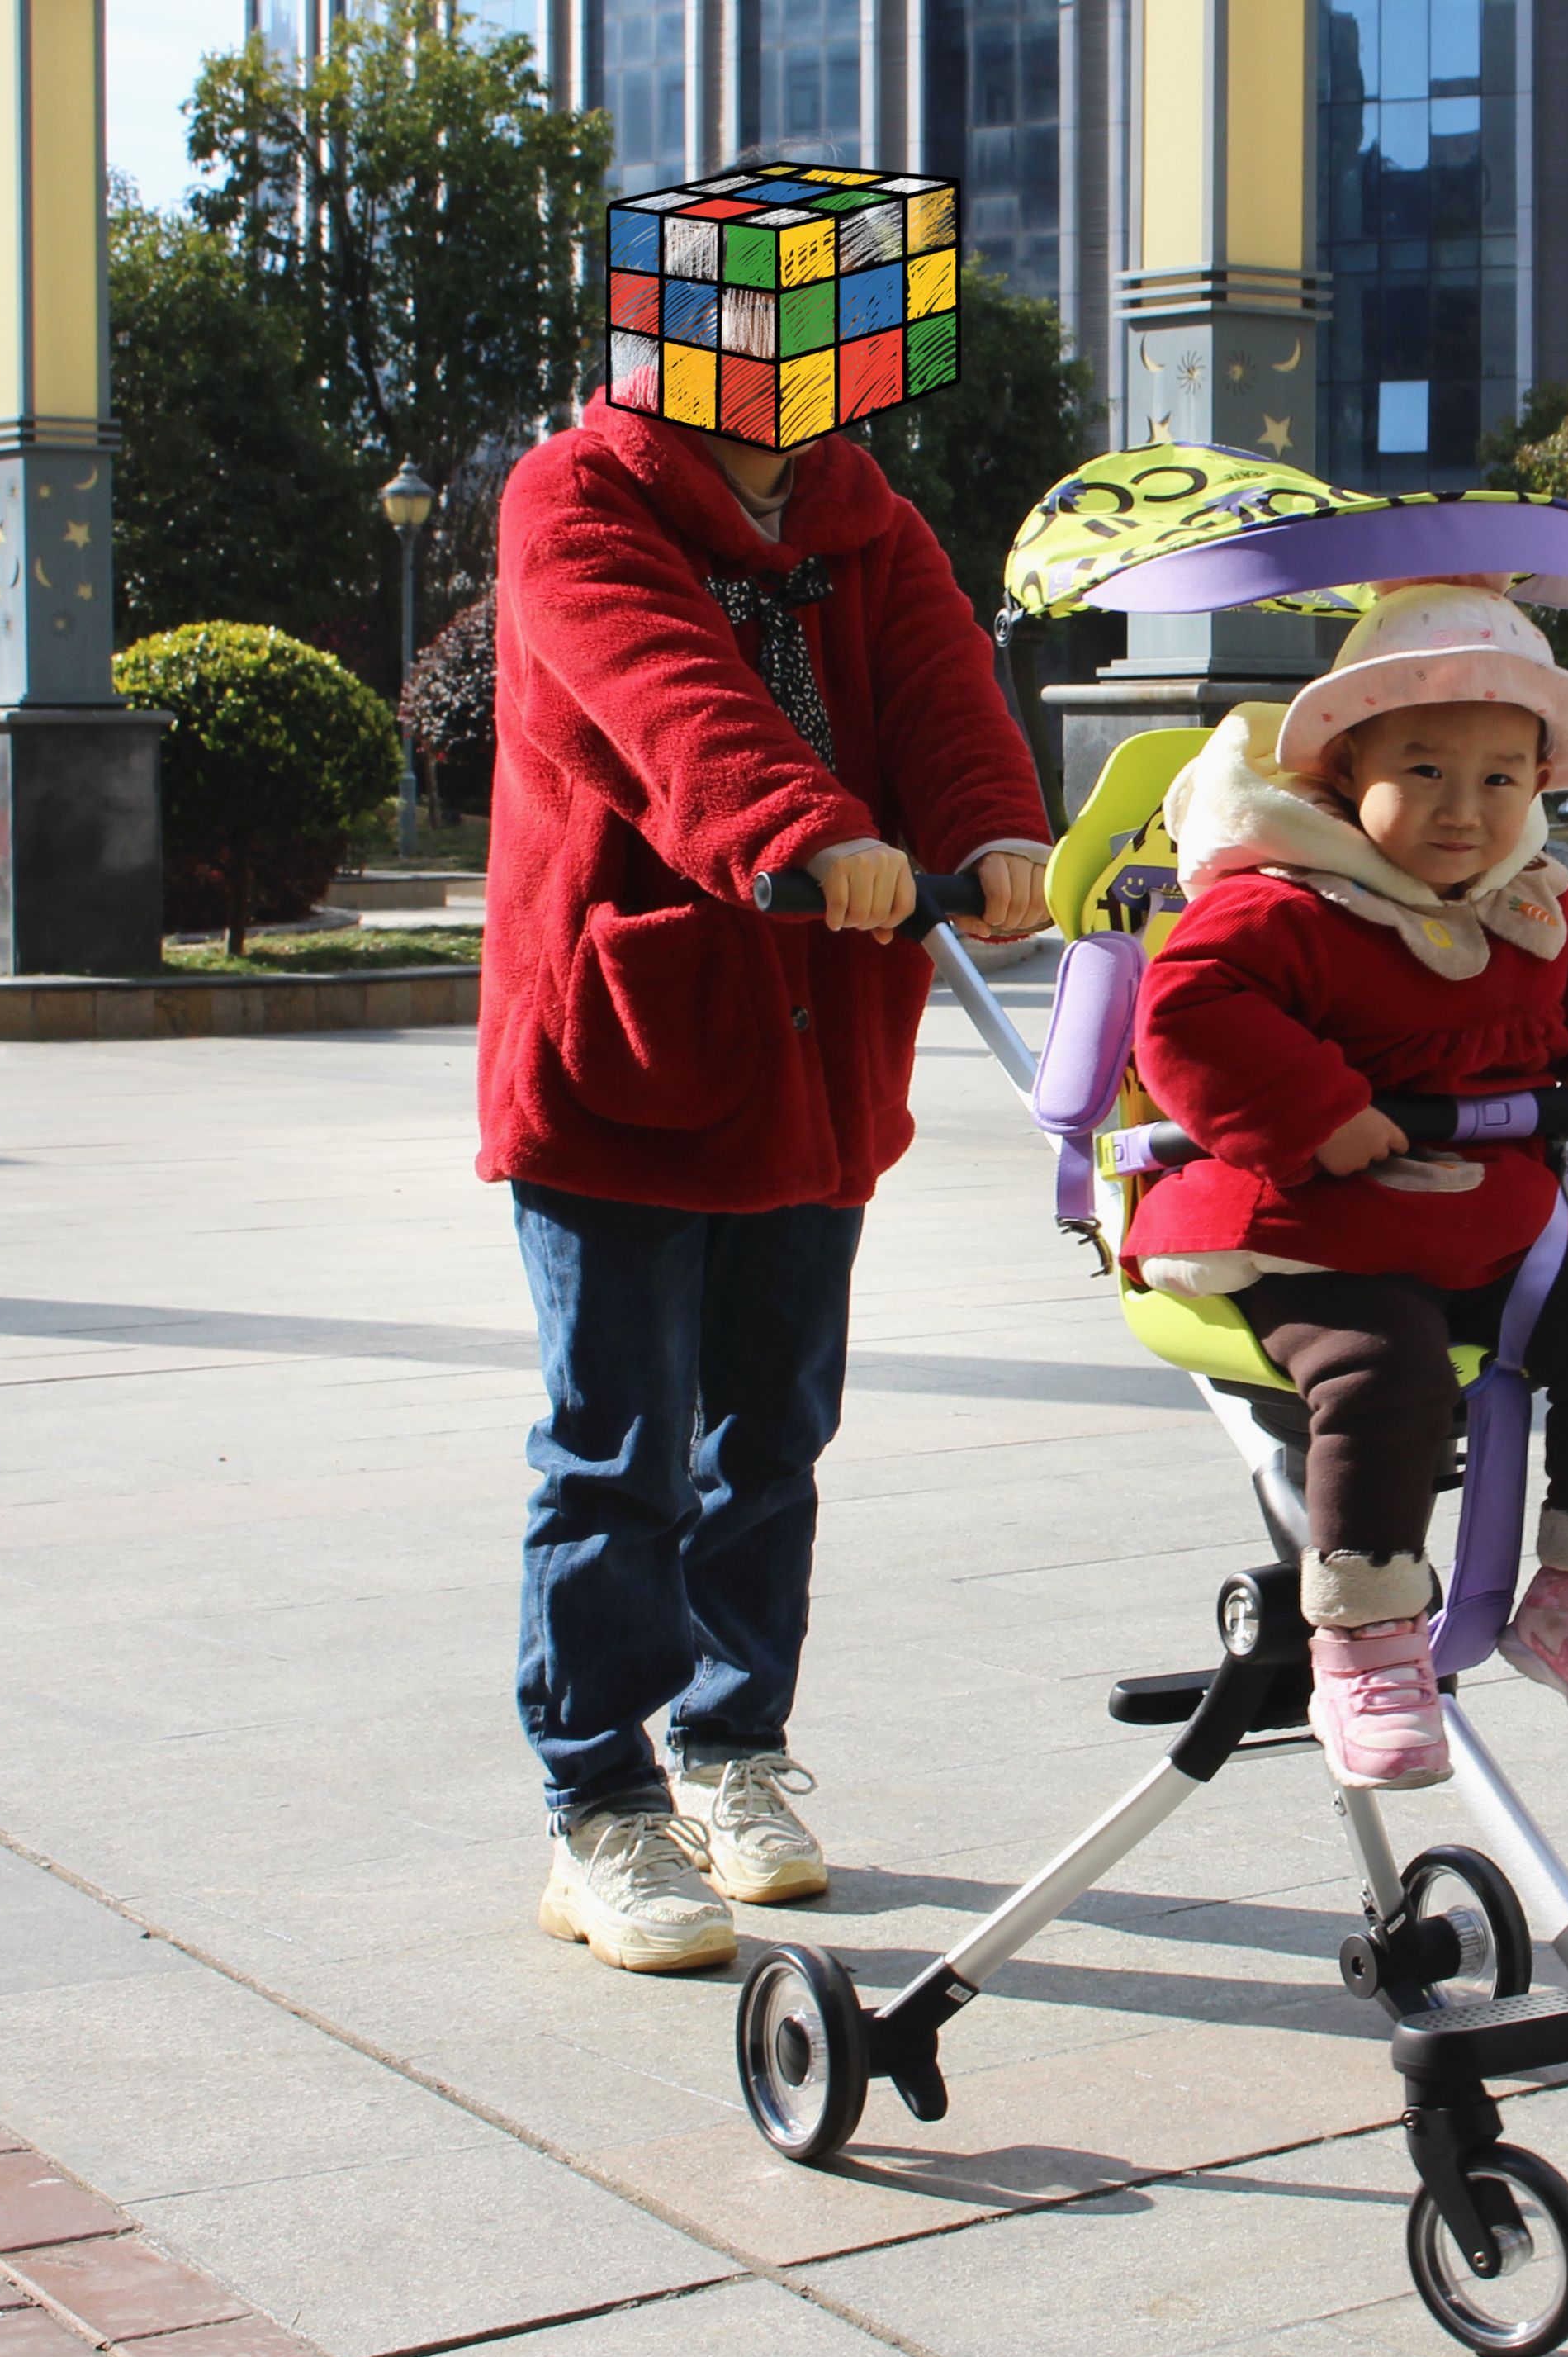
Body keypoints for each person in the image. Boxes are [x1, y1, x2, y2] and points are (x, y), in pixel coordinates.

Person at [480, 387, 1051, 1972]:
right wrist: (804, 826)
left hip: (819, 1062)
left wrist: (995, 827)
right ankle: (597, 1807)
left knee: (774, 1438)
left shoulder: (863, 512)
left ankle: (728, 1751)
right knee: (618, 1453)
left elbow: (945, 687)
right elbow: (663, 694)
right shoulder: (575, 496)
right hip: (630, 1056)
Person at [1121, 581, 1568, 1790]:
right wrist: (1318, 1107)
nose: (1465, 809)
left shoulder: (1534, 903)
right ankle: (1369, 1642)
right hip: (1301, 1229)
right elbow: (1183, 1012)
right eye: (1426, 771)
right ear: (1344, 773)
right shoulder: (1281, 900)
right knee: (1379, 1366)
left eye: (1501, 779)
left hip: (1480, 1228)